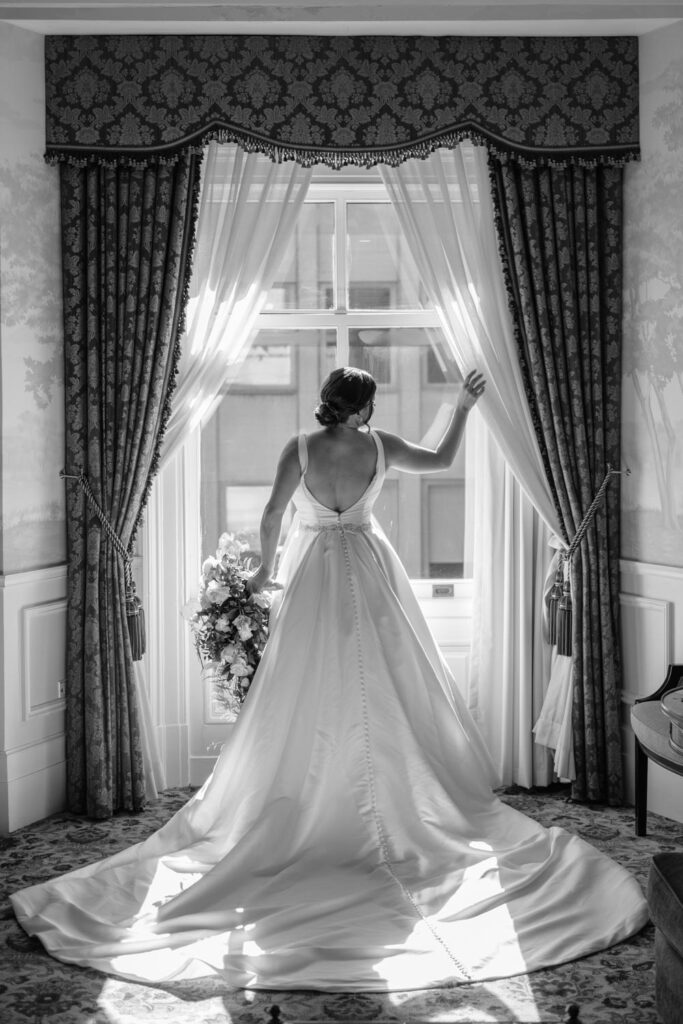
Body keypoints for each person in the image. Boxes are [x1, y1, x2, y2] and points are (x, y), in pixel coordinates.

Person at [11, 367, 647, 992]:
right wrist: (460, 407)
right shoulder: (380, 445)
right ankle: (391, 808)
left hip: (314, 570)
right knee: (392, 685)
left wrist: (262, 574)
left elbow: (270, 512)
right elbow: (442, 461)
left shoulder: (301, 446)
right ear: (363, 408)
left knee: (304, 692)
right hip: (370, 568)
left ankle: (304, 799)